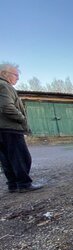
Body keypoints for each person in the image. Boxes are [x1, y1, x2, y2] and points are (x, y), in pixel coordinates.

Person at [0, 62, 43, 192]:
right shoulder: (4, 86)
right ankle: (24, 184)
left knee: (6, 158)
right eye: (16, 75)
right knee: (21, 157)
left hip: (2, 129)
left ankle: (13, 185)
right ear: (4, 74)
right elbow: (7, 107)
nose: (17, 78)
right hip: (10, 128)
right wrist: (22, 118)